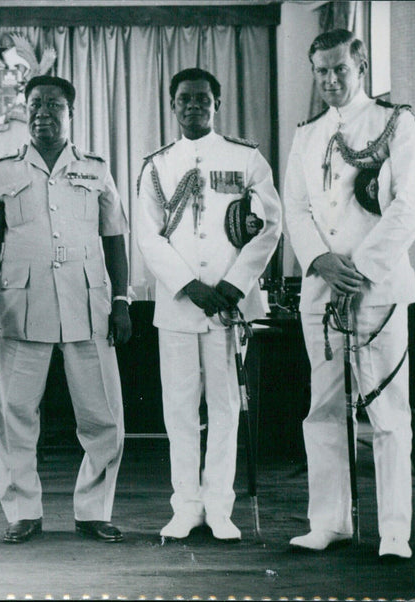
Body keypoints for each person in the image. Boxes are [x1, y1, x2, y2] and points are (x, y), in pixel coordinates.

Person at [283, 29, 415, 559]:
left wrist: (361, 269)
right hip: (323, 289)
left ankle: (394, 530)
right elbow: (295, 209)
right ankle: (330, 522)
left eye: (339, 69)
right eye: (320, 72)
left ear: (360, 65)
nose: (329, 81)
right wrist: (319, 260)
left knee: (387, 412)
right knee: (322, 410)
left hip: (380, 285)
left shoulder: (395, 123)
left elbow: (410, 204)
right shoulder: (307, 135)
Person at [0, 75, 132, 544]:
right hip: (19, 307)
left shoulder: (96, 169)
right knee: (15, 415)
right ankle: (23, 511)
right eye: (35, 104)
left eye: (55, 105)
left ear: (71, 112)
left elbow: (114, 239)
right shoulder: (2, 172)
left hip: (88, 306)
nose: (44, 112)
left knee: (103, 415)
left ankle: (93, 510)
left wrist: (122, 302)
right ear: (25, 111)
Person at [135, 68, 282, 542]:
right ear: (172, 106)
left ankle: (219, 506)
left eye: (202, 98)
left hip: (229, 306)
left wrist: (236, 284)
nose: (193, 106)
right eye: (184, 100)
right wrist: (187, 285)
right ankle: (186, 506)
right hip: (180, 306)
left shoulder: (246, 158)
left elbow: (271, 225)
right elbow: (147, 236)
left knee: (224, 408)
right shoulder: (157, 165)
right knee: (178, 409)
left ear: (217, 103)